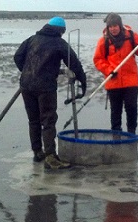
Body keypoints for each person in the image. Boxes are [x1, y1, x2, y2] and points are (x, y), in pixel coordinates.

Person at [14, 17, 86, 170]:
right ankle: (51, 157)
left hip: (26, 85)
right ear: (61, 31)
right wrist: (83, 82)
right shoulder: (59, 43)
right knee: (48, 120)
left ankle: (37, 152)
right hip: (45, 87)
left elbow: (18, 57)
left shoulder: (32, 39)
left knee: (33, 120)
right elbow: (74, 64)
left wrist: (27, 72)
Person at [93, 13, 138, 135]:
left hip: (131, 81)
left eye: (115, 26)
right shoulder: (104, 41)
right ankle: (116, 136)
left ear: (120, 25)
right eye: (111, 27)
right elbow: (98, 60)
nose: (113, 29)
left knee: (131, 109)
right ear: (108, 28)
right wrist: (109, 70)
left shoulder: (131, 36)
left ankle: (131, 134)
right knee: (115, 111)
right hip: (113, 82)